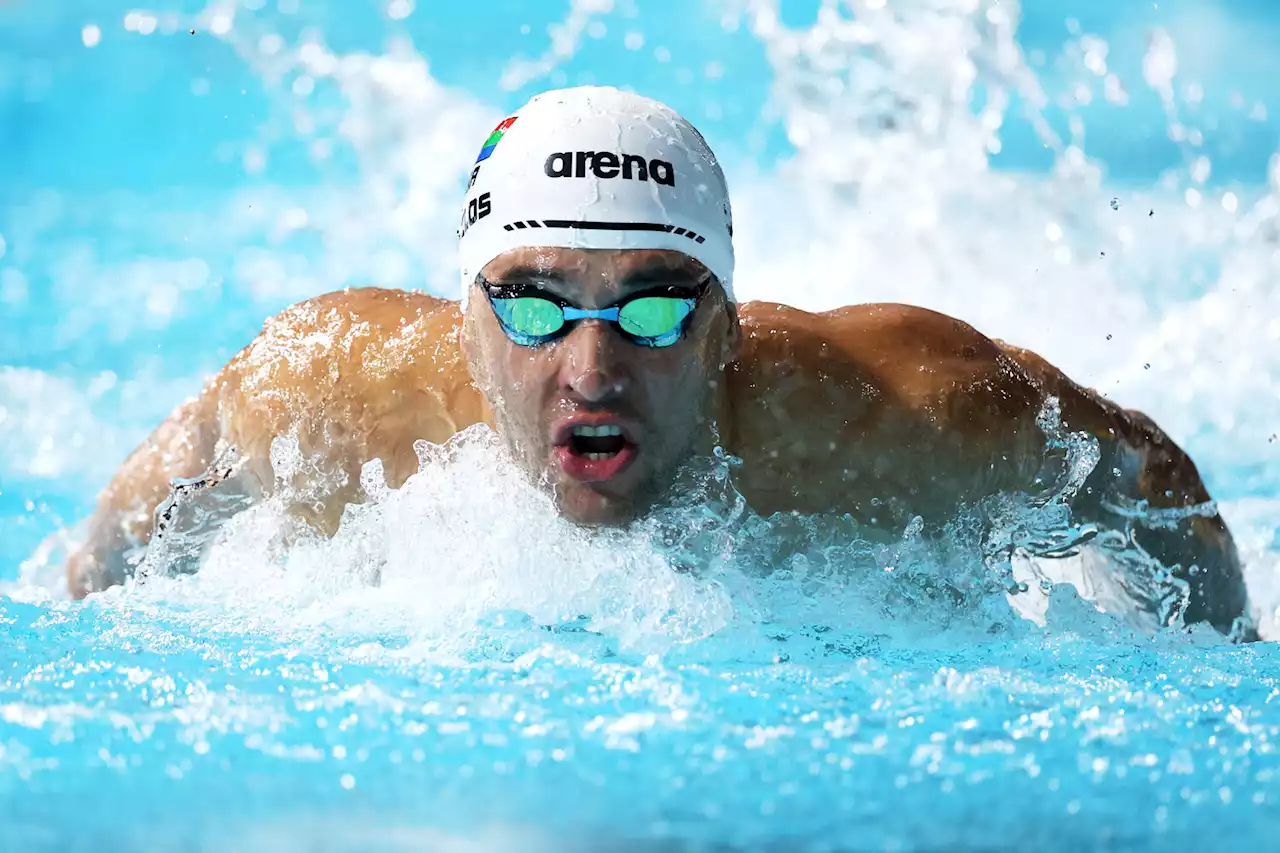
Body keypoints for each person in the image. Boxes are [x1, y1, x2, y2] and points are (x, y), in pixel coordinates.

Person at [65, 86, 1257, 640]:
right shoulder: (331, 390)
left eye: (651, 312)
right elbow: (130, 530)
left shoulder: (902, 417)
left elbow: (1148, 480)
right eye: (532, 308)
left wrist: (1224, 666)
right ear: (461, 317)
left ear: (728, 329)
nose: (590, 367)